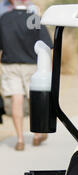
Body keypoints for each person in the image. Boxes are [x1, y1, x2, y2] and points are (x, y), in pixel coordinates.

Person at [0, 0, 52, 150]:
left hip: (10, 65)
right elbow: (45, 44)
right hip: (32, 64)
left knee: (17, 99)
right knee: (33, 99)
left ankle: (20, 139)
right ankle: (36, 135)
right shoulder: (33, 17)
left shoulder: (4, 18)